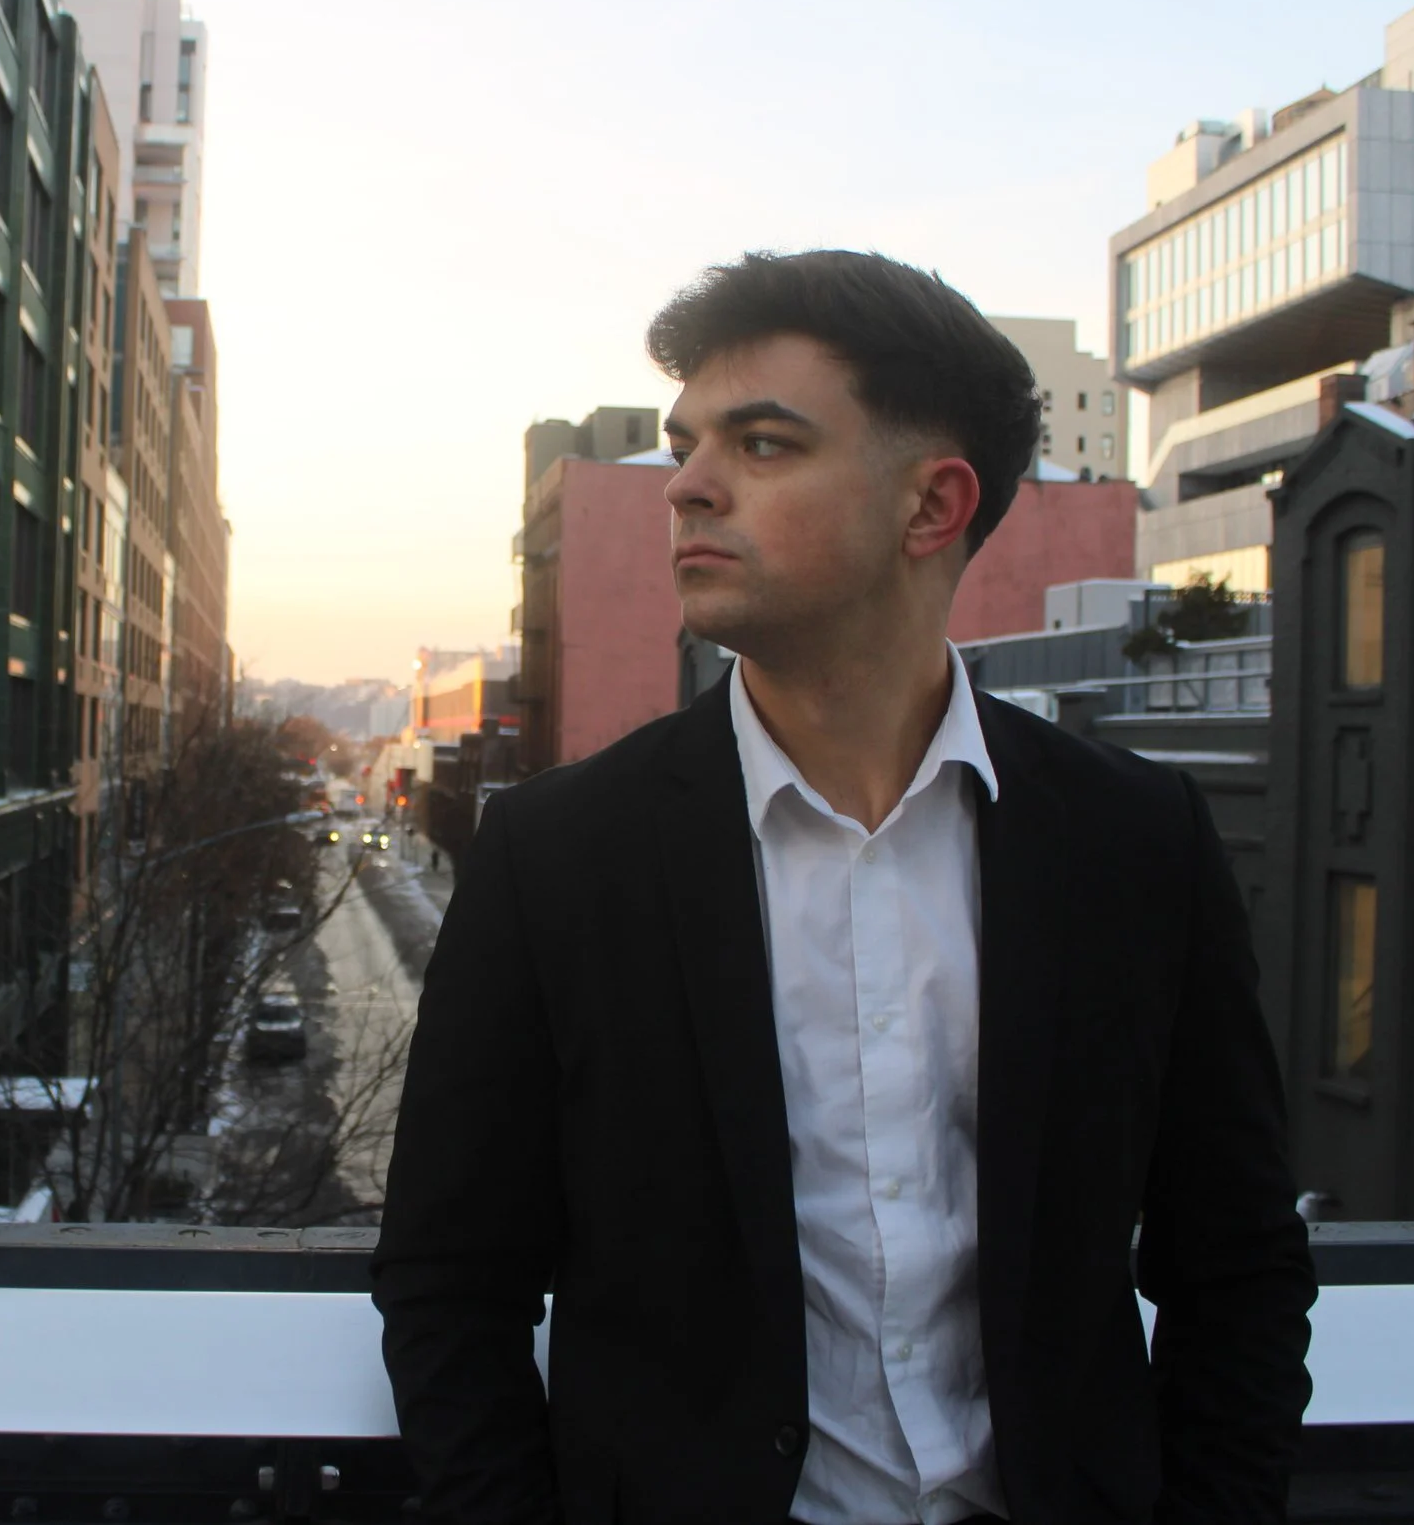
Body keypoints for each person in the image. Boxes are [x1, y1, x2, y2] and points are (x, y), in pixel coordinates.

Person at [372, 251, 1314, 1524]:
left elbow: (1236, 1261)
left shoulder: (1132, 840)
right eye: (684, 442)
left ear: (933, 505)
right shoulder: (557, 855)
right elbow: (449, 1280)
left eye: (762, 444)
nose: (688, 485)